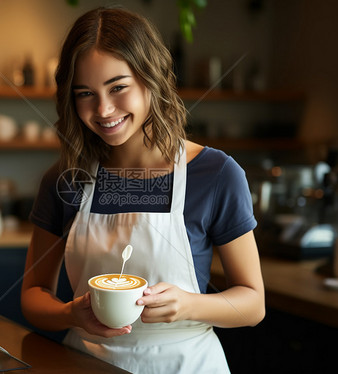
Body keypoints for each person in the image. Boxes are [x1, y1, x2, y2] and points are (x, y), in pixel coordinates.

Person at [21, 6, 265, 373]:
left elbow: (252, 304)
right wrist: (70, 313)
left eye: (118, 87)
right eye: (85, 93)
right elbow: (33, 295)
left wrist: (189, 305)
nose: (103, 109)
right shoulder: (65, 179)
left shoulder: (215, 174)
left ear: (151, 79)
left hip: (187, 364)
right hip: (87, 362)